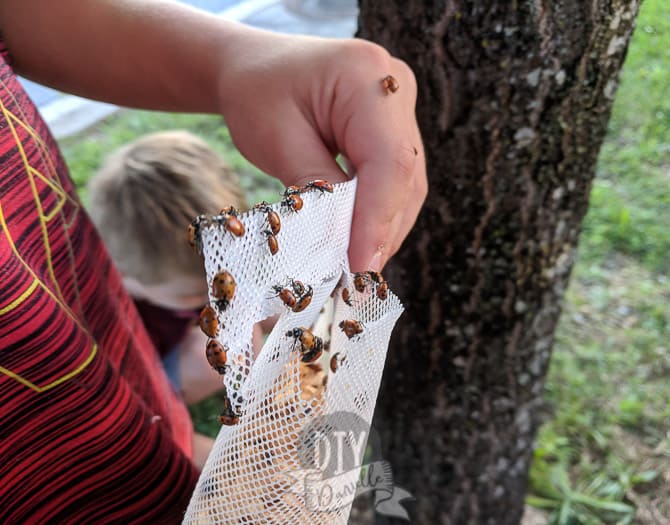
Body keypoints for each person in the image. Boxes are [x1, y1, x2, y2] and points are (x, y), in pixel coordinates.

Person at [0, 0, 426, 522]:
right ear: (136, 277)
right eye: (193, 298)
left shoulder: (110, 296)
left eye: (212, 293)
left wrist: (232, 60)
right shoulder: (150, 306)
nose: (208, 302)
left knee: (174, 445)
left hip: (103, 360)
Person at [87, 129, 265, 467]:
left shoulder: (168, 276)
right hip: (140, 380)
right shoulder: (106, 314)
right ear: (124, 275)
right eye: (195, 292)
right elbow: (123, 413)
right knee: (194, 451)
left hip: (180, 338)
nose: (215, 298)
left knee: (243, 326)